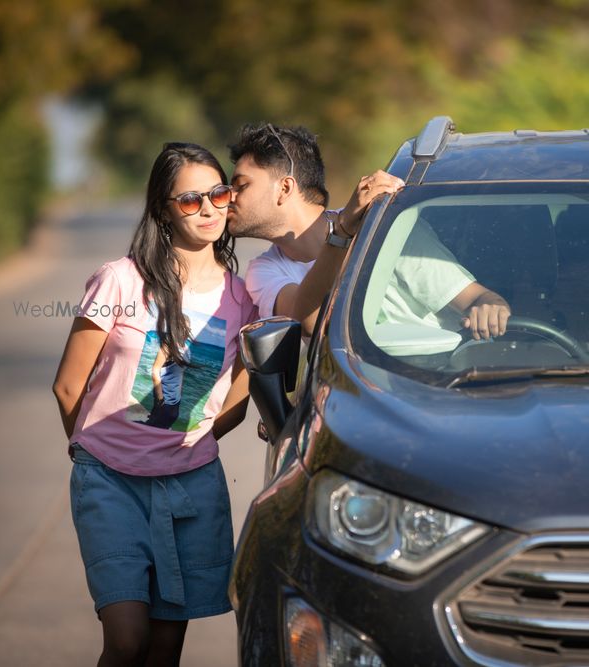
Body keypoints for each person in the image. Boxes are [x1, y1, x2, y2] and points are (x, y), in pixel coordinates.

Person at [52, 143, 257, 667]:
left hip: (191, 487)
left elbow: (242, 386)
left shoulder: (243, 297)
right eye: (191, 200)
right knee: (126, 642)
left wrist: (200, 438)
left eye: (219, 193)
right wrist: (98, 452)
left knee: (166, 649)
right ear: (164, 208)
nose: (209, 208)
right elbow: (69, 385)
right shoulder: (119, 279)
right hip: (110, 484)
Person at [225, 122, 511, 340]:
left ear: (285, 188)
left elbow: (478, 298)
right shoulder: (263, 270)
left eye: (241, 185)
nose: (229, 197)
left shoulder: (381, 223)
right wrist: (343, 232)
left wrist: (491, 309)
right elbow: (306, 322)